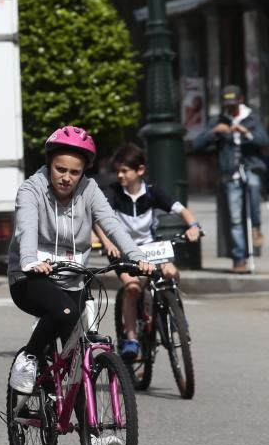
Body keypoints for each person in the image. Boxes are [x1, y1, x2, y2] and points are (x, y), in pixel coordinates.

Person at [7, 126, 153, 406]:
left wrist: (136, 256)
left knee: (78, 361)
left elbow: (111, 223)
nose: (66, 178)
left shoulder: (89, 189)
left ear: (84, 171)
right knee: (64, 312)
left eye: (75, 172)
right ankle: (29, 359)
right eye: (60, 169)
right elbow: (25, 228)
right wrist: (29, 261)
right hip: (31, 278)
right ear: (49, 163)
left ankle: (92, 437)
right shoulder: (31, 189)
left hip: (73, 278)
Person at [92, 143, 201, 362]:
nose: (120, 175)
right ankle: (131, 338)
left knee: (171, 274)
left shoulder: (153, 191)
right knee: (132, 288)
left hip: (150, 248)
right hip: (122, 250)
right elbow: (97, 218)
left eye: (125, 171)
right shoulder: (112, 192)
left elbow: (182, 210)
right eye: (118, 171)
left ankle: (177, 318)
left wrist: (194, 226)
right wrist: (106, 242)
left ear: (140, 170)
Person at [193, 85, 269, 273]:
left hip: (250, 167)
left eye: (233, 104)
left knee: (253, 184)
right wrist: (215, 132)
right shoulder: (219, 120)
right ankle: (239, 259)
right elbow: (197, 144)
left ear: (240, 99)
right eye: (228, 105)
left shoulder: (251, 118)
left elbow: (264, 140)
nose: (231, 109)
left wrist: (245, 132)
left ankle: (256, 227)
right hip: (230, 173)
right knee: (235, 218)